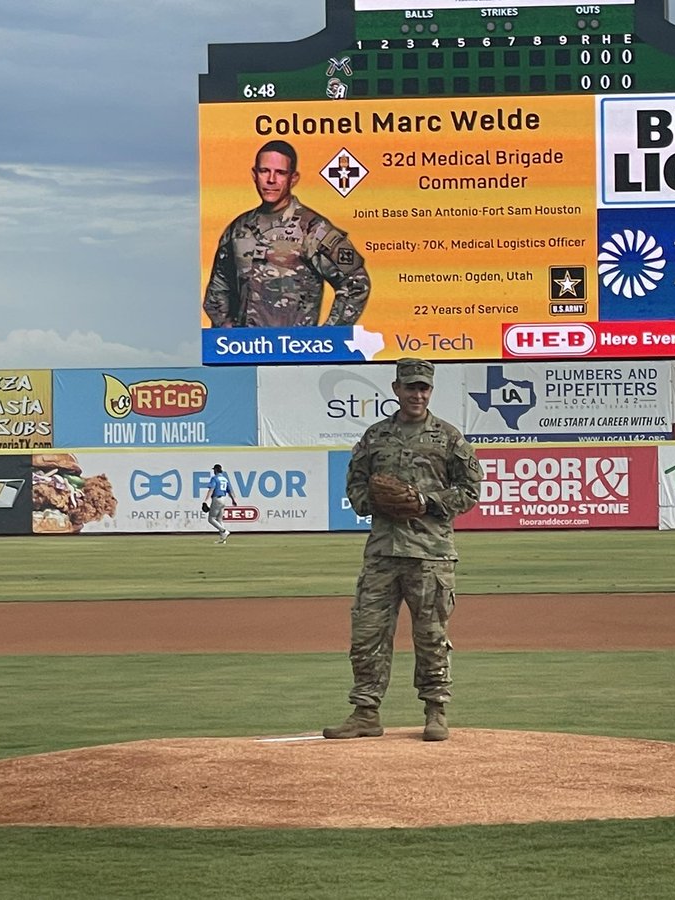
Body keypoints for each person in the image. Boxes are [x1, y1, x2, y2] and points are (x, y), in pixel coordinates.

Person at [324, 358, 482, 743]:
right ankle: (365, 713)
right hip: (382, 551)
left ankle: (435, 710)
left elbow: (470, 492)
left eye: (423, 388)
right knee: (367, 633)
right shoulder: (375, 436)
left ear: (430, 391)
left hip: (430, 553)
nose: (417, 394)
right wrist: (374, 502)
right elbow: (356, 485)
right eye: (410, 387)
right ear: (396, 389)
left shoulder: (448, 438)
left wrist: (425, 502)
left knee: (430, 635)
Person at [203, 139, 371, 328]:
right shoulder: (238, 229)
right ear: (254, 174)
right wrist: (226, 331)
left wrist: (328, 337)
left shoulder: (312, 228)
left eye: (280, 173)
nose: (271, 180)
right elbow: (219, 288)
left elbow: (356, 283)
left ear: (293, 178)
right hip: (246, 352)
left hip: (294, 352)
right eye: (264, 171)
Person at [203, 463, 237, 544]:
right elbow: (229, 491)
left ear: (215, 470)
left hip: (217, 499)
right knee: (219, 519)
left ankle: (224, 531)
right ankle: (223, 539)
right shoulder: (225, 479)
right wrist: (233, 500)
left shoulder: (215, 478)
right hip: (224, 499)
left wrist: (206, 500)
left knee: (211, 519)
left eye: (214, 470)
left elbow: (211, 489)